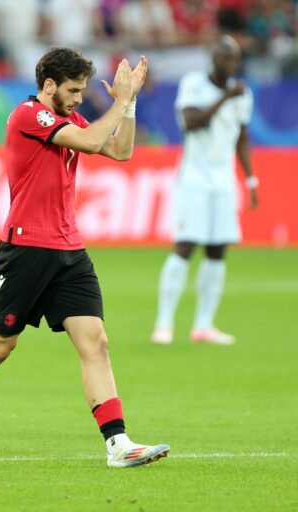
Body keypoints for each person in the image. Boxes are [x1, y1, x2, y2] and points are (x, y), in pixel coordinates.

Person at [0, 47, 170, 467]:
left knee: (96, 341)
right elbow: (93, 140)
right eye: (74, 90)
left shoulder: (69, 118)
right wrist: (119, 99)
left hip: (69, 249)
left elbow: (120, 151)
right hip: (27, 248)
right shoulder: (29, 115)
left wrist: (130, 103)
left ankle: (117, 444)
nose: (80, 98)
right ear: (49, 86)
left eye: (82, 91)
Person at [151, 36, 257, 346]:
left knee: (217, 250)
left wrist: (251, 179)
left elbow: (242, 137)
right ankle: (164, 323)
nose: (231, 65)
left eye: (234, 60)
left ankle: (203, 325)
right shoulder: (194, 84)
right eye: (225, 59)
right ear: (213, 60)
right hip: (194, 178)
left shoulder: (243, 95)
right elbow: (192, 122)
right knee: (185, 246)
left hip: (224, 181)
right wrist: (225, 97)